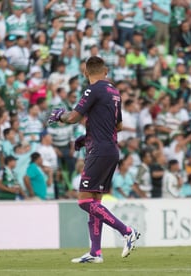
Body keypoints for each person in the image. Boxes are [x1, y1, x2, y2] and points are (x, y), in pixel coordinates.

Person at [47, 56, 140, 263]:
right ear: (105, 71)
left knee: (84, 201)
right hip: (109, 149)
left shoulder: (93, 89)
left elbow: (73, 117)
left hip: (99, 151)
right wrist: (87, 137)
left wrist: (59, 115)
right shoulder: (114, 92)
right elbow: (118, 127)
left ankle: (126, 231)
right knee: (95, 200)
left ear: (85, 73)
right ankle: (95, 252)